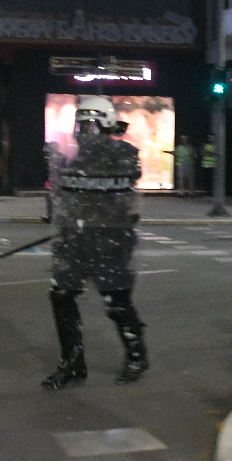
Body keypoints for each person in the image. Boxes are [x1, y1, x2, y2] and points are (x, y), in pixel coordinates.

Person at [42, 96, 149, 389]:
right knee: (61, 296)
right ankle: (72, 361)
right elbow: (62, 196)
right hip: (74, 239)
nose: (84, 131)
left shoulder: (123, 153)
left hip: (110, 240)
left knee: (117, 302)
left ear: (104, 125)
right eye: (82, 125)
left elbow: (125, 194)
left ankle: (137, 356)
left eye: (90, 125)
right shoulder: (67, 154)